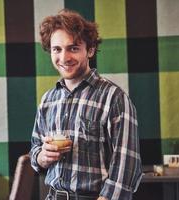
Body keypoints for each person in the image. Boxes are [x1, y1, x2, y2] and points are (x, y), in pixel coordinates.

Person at [30, 9, 142, 200]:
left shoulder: (114, 97)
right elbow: (35, 151)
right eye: (57, 49)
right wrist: (42, 156)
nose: (64, 58)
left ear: (89, 50)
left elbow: (127, 166)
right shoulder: (48, 100)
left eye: (73, 48)